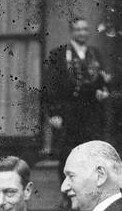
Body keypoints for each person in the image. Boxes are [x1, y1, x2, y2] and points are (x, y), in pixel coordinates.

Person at [42, 17, 111, 158]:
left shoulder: (95, 53)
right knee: (68, 154)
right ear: (71, 32)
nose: (82, 33)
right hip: (68, 112)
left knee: (92, 153)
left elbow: (102, 80)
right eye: (78, 30)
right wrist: (54, 113)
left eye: (85, 29)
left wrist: (104, 91)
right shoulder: (59, 54)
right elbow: (50, 85)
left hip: (92, 113)